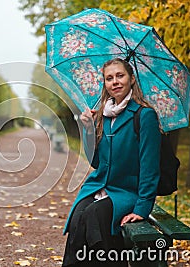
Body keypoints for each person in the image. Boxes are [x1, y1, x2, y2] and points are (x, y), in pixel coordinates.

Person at [62, 58, 162, 267]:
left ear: (131, 79)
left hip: (127, 192)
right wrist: (89, 130)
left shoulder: (144, 116)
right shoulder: (103, 117)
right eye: (109, 78)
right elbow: (97, 162)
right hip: (101, 187)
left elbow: (150, 167)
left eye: (120, 76)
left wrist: (141, 209)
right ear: (105, 84)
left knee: (93, 215)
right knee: (78, 216)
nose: (115, 81)